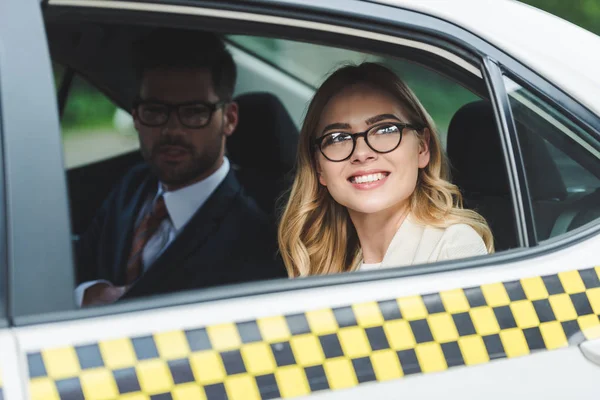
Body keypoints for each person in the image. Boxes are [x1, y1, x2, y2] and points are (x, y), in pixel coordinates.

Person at [75, 28, 286, 306]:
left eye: (194, 112)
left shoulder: (256, 239)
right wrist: (89, 294)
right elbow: (75, 266)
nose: (171, 130)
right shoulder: (132, 185)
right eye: (154, 110)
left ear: (229, 119)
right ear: (136, 116)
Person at [278, 63, 494, 277]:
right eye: (338, 138)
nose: (362, 153)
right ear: (319, 167)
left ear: (422, 147)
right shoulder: (321, 266)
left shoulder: (454, 249)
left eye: (385, 129)